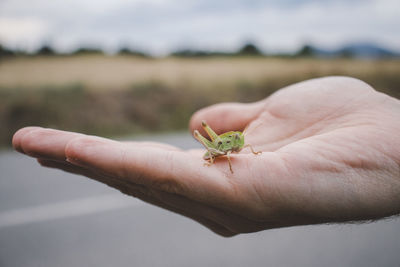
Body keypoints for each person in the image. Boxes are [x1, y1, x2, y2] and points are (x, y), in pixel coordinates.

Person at [12, 76, 400, 237]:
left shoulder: (241, 143)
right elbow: (226, 146)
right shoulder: (225, 144)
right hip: (213, 149)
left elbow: (244, 147)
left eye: (232, 141)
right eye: (230, 141)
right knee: (206, 133)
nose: (234, 141)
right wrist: (216, 153)